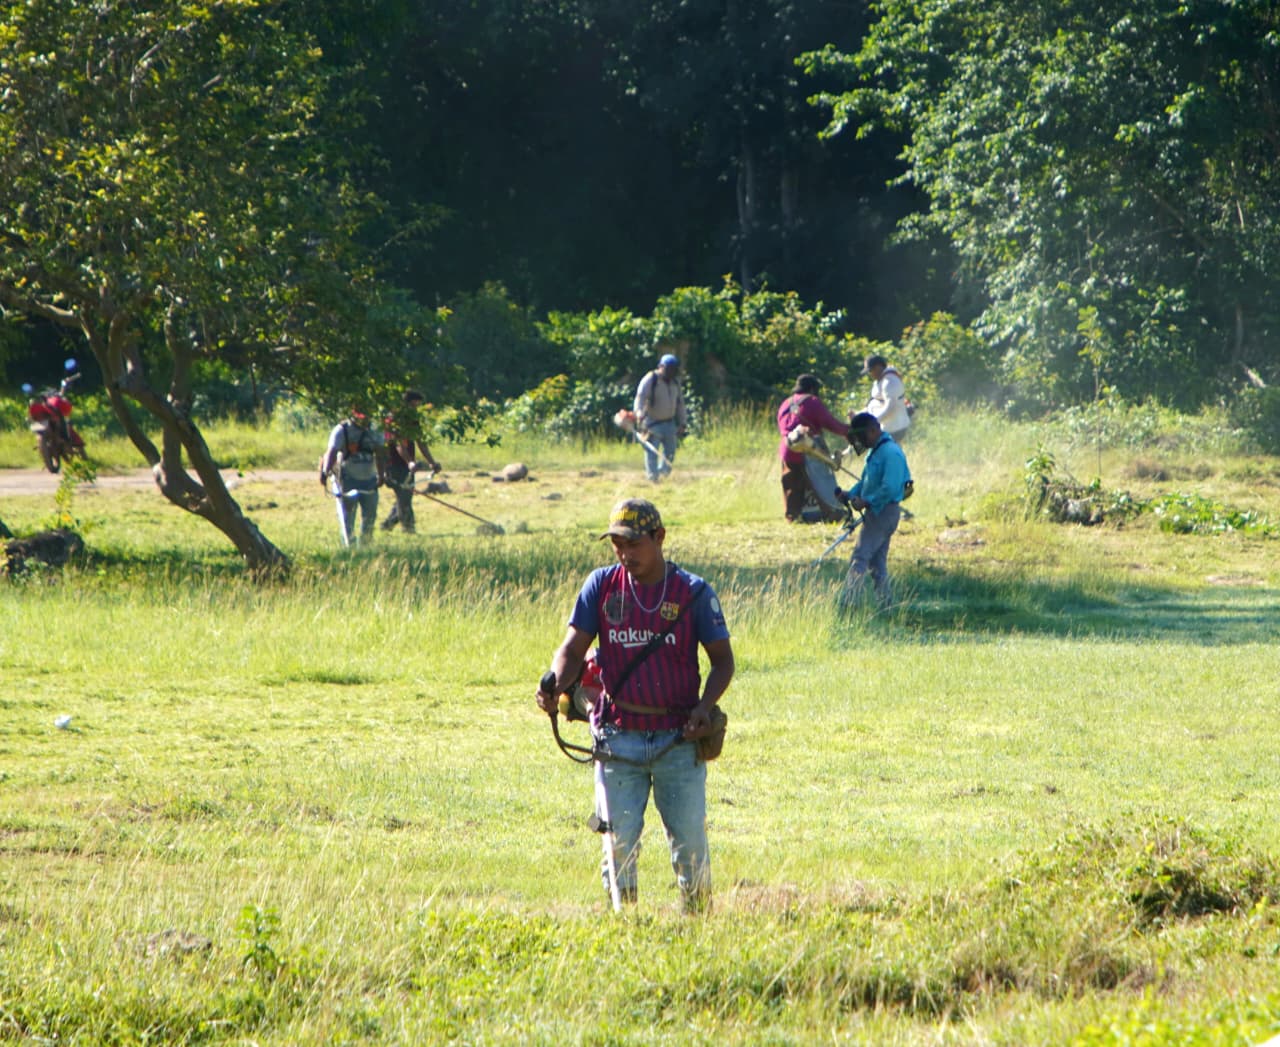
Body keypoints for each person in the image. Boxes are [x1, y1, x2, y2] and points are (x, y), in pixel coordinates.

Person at [535, 498, 734, 913]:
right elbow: (572, 650)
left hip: (678, 740)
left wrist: (704, 707)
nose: (624, 554)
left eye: (633, 544)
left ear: (659, 537)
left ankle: (698, 923)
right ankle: (626, 923)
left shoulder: (692, 592)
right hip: (616, 738)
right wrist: (555, 681)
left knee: (690, 844)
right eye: (617, 545)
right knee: (617, 844)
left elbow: (723, 662)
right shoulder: (601, 586)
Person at [837, 412, 912, 608]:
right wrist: (849, 494)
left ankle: (848, 603)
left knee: (860, 557)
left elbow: (890, 488)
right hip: (877, 512)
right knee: (877, 563)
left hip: (884, 512)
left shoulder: (891, 453)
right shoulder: (875, 452)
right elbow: (866, 483)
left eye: (861, 437)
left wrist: (866, 502)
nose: (860, 442)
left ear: (873, 430)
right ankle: (885, 605)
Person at [776, 374, 850, 522]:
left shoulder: (785, 403)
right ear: (812, 389)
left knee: (793, 485)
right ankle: (832, 513)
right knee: (820, 483)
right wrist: (848, 430)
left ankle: (794, 517)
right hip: (808, 450)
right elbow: (831, 424)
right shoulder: (812, 401)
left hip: (787, 450)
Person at [319, 409, 386, 545]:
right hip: (346, 479)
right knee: (347, 517)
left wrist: (381, 475)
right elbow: (332, 452)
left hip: (369, 479)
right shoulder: (341, 430)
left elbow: (380, 454)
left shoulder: (375, 431)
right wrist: (325, 472)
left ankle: (366, 545)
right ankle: (349, 546)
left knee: (370, 516)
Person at [380, 391, 441, 534]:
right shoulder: (393, 420)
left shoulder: (413, 420)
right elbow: (399, 444)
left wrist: (432, 462)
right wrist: (410, 462)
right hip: (393, 464)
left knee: (405, 495)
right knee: (404, 495)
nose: (415, 409)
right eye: (413, 406)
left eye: (417, 406)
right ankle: (408, 529)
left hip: (407, 466)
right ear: (405, 404)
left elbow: (421, 442)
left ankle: (388, 525)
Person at [633, 353, 688, 483]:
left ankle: (663, 475)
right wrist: (638, 413)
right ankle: (653, 478)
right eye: (669, 369)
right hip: (652, 423)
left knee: (670, 453)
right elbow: (640, 397)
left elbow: (680, 404)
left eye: (674, 369)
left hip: (670, 423)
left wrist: (683, 422)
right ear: (661, 367)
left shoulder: (675, 382)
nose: (671, 372)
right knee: (652, 452)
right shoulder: (651, 379)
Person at [862, 354, 912, 441]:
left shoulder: (889, 382)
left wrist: (874, 422)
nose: (870, 374)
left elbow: (891, 407)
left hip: (894, 428)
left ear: (878, 367)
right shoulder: (881, 379)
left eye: (871, 370)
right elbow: (875, 401)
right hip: (888, 426)